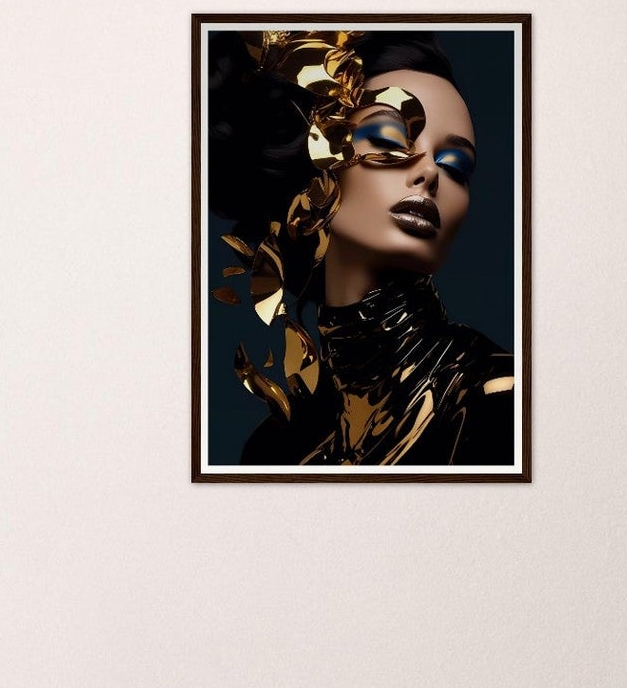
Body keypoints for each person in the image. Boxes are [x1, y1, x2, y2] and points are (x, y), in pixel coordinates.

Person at [207, 29, 515, 467]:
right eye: (391, 139)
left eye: (456, 165)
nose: (429, 172)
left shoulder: (500, 402)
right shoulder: (278, 447)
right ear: (315, 162)